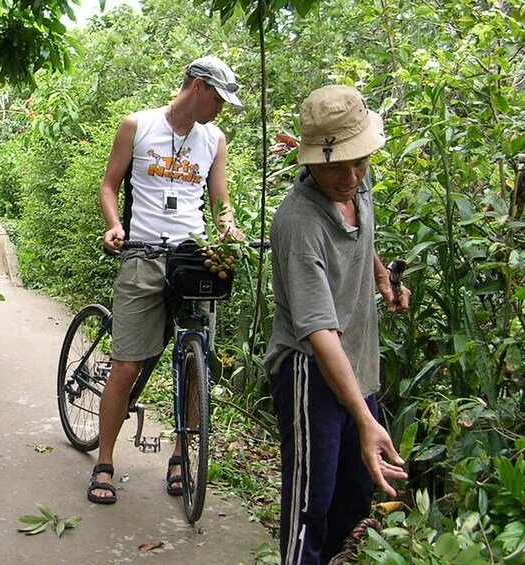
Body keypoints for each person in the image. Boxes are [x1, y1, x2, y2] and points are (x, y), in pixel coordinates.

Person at [264, 85, 410, 564]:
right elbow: (319, 333)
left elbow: (360, 236)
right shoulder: (297, 222)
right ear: (311, 163)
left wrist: (383, 277)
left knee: (353, 500)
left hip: (357, 367)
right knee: (311, 508)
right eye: (335, 167)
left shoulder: (356, 182)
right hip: (312, 373)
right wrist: (366, 420)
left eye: (358, 162)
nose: (349, 177)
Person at [91, 56, 246, 504]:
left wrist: (228, 230)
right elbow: (109, 184)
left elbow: (221, 203)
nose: (220, 109)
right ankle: (104, 461)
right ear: (197, 87)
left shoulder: (215, 139)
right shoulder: (136, 126)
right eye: (218, 98)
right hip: (142, 254)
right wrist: (114, 224)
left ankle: (180, 455)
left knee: (195, 360)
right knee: (126, 365)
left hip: (192, 258)